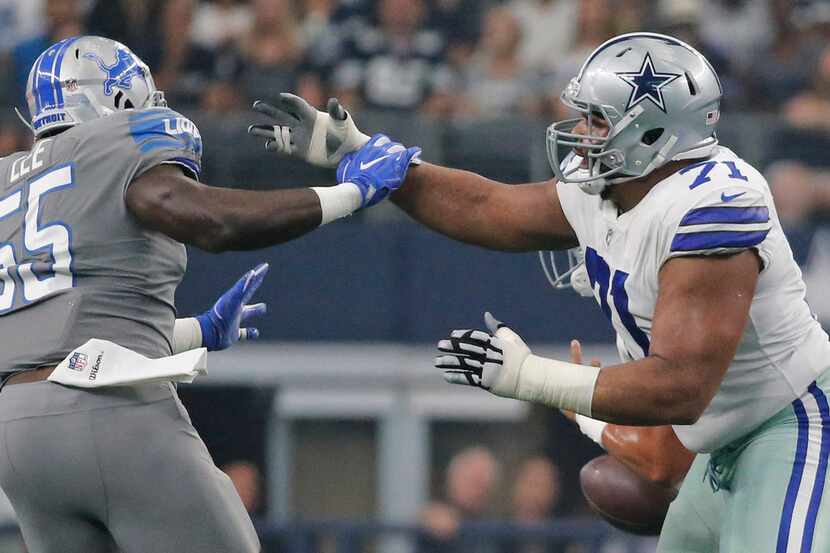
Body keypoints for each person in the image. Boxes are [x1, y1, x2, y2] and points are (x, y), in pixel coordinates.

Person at [266, 32, 830, 552]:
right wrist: (368, 157)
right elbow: (490, 209)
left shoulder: (715, 204)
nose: (581, 133)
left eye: (597, 121)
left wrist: (531, 378)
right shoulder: (615, 184)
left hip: (789, 425)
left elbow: (679, 386)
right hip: (721, 446)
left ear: (656, 130)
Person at [0, 36, 419, 553]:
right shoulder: (116, 146)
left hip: (17, 432)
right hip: (106, 410)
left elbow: (49, 321)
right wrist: (353, 193)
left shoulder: (7, 183)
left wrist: (195, 330)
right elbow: (208, 220)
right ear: (115, 95)